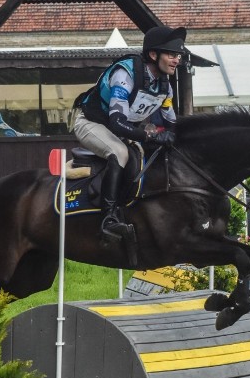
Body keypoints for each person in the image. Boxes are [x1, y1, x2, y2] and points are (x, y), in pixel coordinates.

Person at [73, 25, 185, 242]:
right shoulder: (125, 74)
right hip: (91, 123)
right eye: (171, 54)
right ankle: (108, 220)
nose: (176, 60)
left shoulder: (165, 86)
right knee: (120, 153)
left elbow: (172, 122)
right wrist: (150, 136)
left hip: (121, 128)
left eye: (178, 55)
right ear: (153, 54)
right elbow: (116, 123)